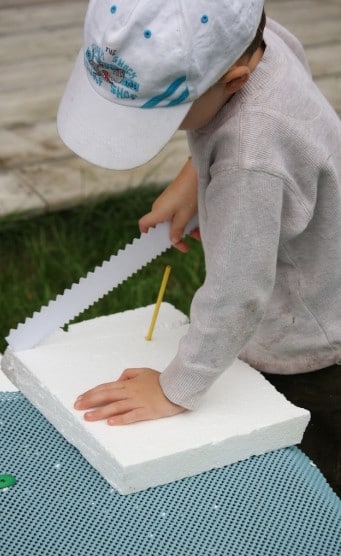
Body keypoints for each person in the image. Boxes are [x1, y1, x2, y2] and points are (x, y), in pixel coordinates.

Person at [58, 1, 341, 494]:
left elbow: (240, 291)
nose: (165, 131)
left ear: (233, 79)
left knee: (309, 461)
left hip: (309, 340)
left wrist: (175, 388)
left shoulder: (249, 162)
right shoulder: (261, 41)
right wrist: (196, 175)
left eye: (168, 116)